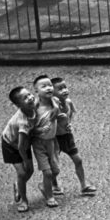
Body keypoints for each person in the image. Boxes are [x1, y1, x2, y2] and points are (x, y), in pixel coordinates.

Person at [50, 77, 97, 196]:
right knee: (54, 165)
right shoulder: (52, 105)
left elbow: (70, 115)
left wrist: (69, 124)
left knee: (78, 160)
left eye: (65, 87)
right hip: (54, 139)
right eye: (59, 89)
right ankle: (54, 184)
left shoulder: (69, 102)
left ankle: (83, 185)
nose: (64, 90)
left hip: (67, 137)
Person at [2, 86, 36, 213]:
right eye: (25, 98)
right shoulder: (22, 123)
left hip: (23, 143)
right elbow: (21, 147)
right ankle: (24, 200)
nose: (30, 98)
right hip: (11, 145)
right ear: (18, 105)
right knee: (22, 173)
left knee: (30, 171)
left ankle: (18, 185)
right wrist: (26, 160)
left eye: (30, 94)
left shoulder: (34, 106)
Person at [32, 74, 62, 208]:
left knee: (55, 170)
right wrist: (39, 130)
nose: (48, 88)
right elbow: (28, 127)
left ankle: (44, 185)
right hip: (39, 143)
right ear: (36, 91)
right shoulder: (34, 107)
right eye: (44, 86)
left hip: (52, 142)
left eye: (50, 85)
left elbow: (62, 109)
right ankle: (49, 196)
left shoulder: (55, 102)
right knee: (48, 172)